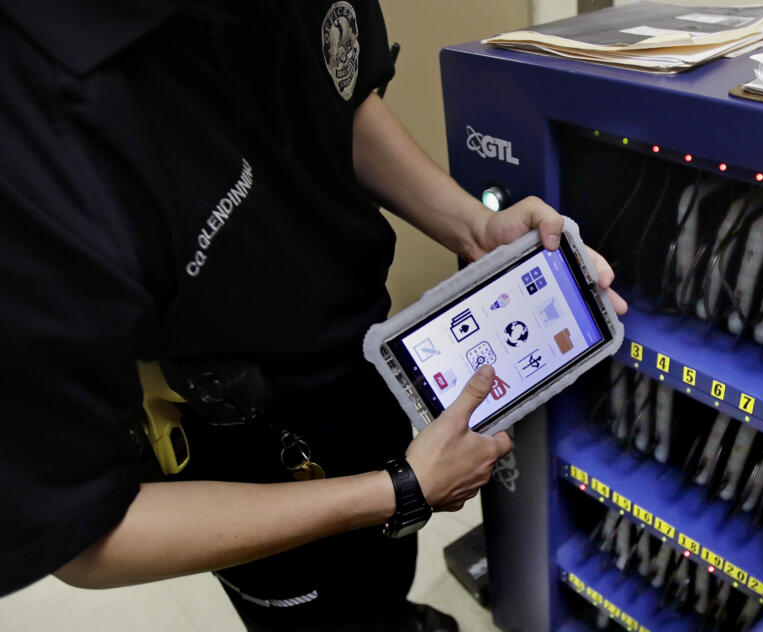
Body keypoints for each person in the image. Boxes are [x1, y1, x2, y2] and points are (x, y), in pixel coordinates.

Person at [0, 1, 627, 630]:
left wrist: (472, 223)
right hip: (253, 455)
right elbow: (87, 537)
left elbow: (333, 97)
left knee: (382, 577)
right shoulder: (32, 126)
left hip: (372, 358)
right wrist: (399, 490)